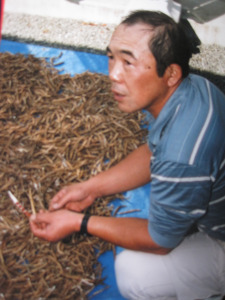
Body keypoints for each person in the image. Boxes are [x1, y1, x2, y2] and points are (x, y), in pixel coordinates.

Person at [30, 10, 225, 300]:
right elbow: (152, 151)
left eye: (128, 62)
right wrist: (89, 188)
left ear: (171, 74)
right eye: (111, 57)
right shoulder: (198, 88)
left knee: (134, 273)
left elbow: (160, 242)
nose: (112, 73)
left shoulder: (181, 156)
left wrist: (78, 223)